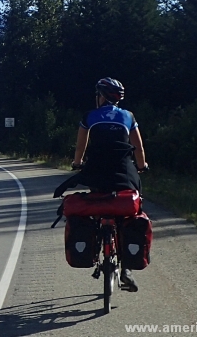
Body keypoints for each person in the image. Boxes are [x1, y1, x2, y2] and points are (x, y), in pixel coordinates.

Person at [54, 77, 149, 291]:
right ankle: (126, 269)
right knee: (132, 210)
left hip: (96, 173)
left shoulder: (89, 116)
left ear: (101, 96)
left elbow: (81, 147)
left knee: (99, 201)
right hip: (124, 173)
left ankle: (97, 238)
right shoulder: (128, 116)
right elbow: (139, 149)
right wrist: (142, 166)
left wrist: (77, 163)